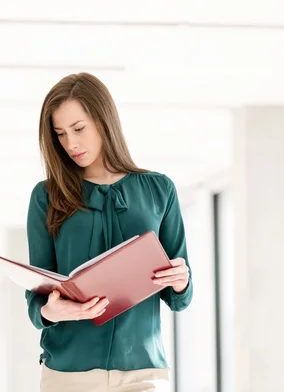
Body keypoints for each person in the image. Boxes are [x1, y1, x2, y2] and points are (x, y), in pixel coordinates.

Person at [24, 72, 193, 392]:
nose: (70, 143)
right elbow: (37, 295)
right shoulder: (46, 196)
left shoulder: (159, 190)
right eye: (60, 134)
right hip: (68, 375)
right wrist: (49, 310)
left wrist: (181, 281)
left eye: (78, 129)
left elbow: (179, 298)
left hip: (142, 372)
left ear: (104, 120)